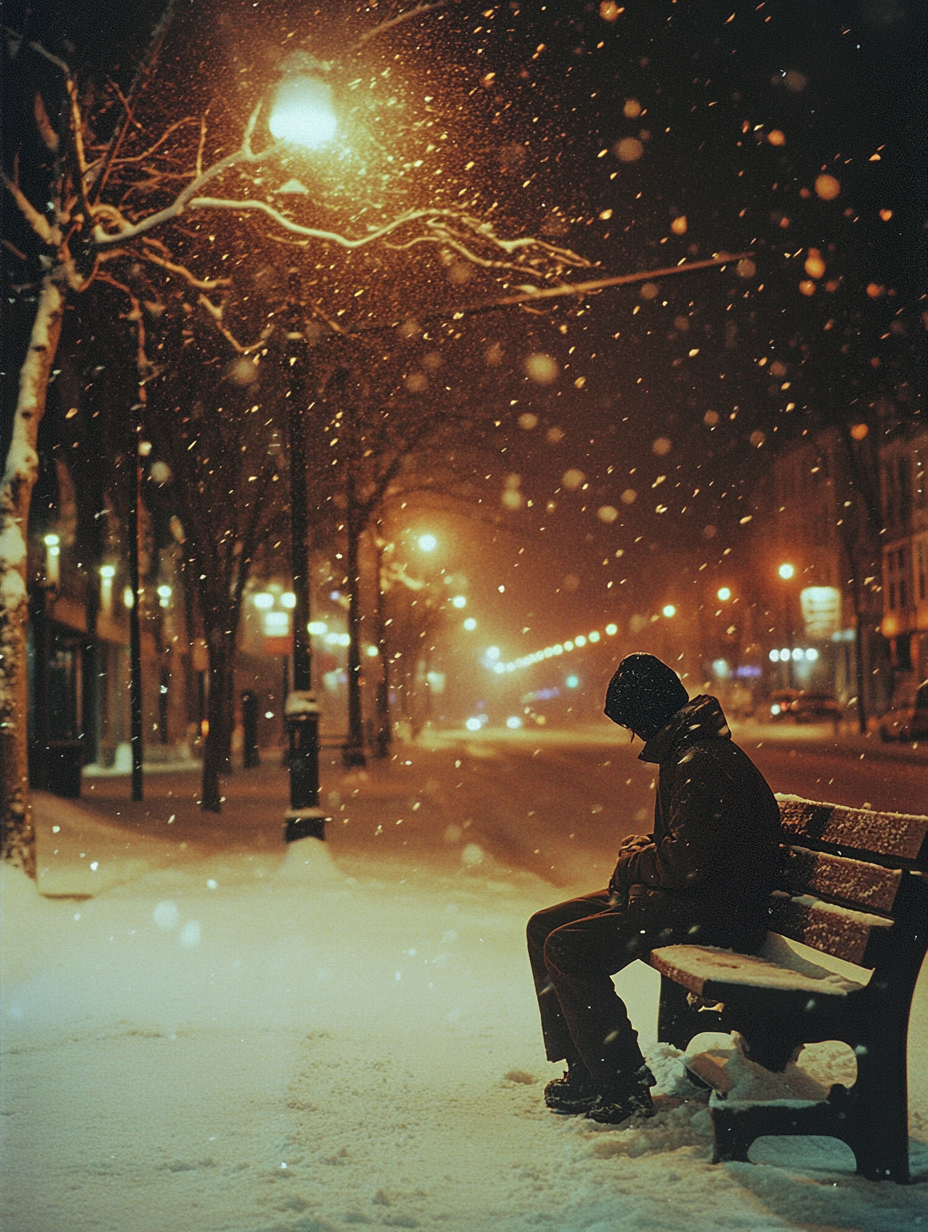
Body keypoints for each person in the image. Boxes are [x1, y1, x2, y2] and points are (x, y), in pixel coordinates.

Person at [526, 652, 781, 1125]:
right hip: (695, 900)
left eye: (633, 725)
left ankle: (621, 1083)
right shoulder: (689, 751)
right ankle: (585, 1071)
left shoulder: (699, 760)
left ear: (648, 715)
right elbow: (693, 848)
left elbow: (686, 866)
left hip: (716, 913)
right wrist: (648, 851)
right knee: (545, 927)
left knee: (569, 948)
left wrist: (632, 867)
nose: (634, 736)